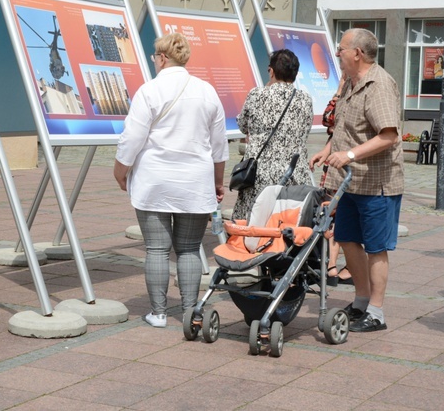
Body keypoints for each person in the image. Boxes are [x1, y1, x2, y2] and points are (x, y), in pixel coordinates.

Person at [114, 32, 229, 328]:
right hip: (195, 181)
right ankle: (190, 311)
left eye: (155, 56)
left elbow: (132, 138)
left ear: (163, 58)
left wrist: (120, 171)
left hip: (154, 181)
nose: (155, 61)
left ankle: (159, 313)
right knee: (190, 248)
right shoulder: (207, 91)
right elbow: (219, 146)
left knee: (156, 248)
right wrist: (218, 181)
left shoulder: (149, 91)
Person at [309, 28, 404, 333]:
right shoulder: (350, 82)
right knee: (347, 238)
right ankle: (361, 299)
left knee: (375, 247)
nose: (337, 54)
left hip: (376, 183)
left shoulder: (379, 85)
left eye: (341, 49)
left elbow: (388, 135)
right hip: (348, 183)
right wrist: (328, 150)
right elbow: (345, 128)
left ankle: (376, 312)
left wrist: (349, 155)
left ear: (357, 54)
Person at [231, 49, 313, 221]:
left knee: (257, 221)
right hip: (294, 172)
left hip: (261, 173)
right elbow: (305, 130)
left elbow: (242, 124)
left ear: (271, 71)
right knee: (288, 222)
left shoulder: (257, 94)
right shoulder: (305, 99)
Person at [321, 73, 353, 287]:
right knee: (333, 216)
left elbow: (329, 118)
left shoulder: (351, 96)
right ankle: (335, 266)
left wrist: (340, 90)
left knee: (340, 218)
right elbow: (329, 121)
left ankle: (340, 266)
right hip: (334, 162)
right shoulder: (349, 94)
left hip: (347, 163)